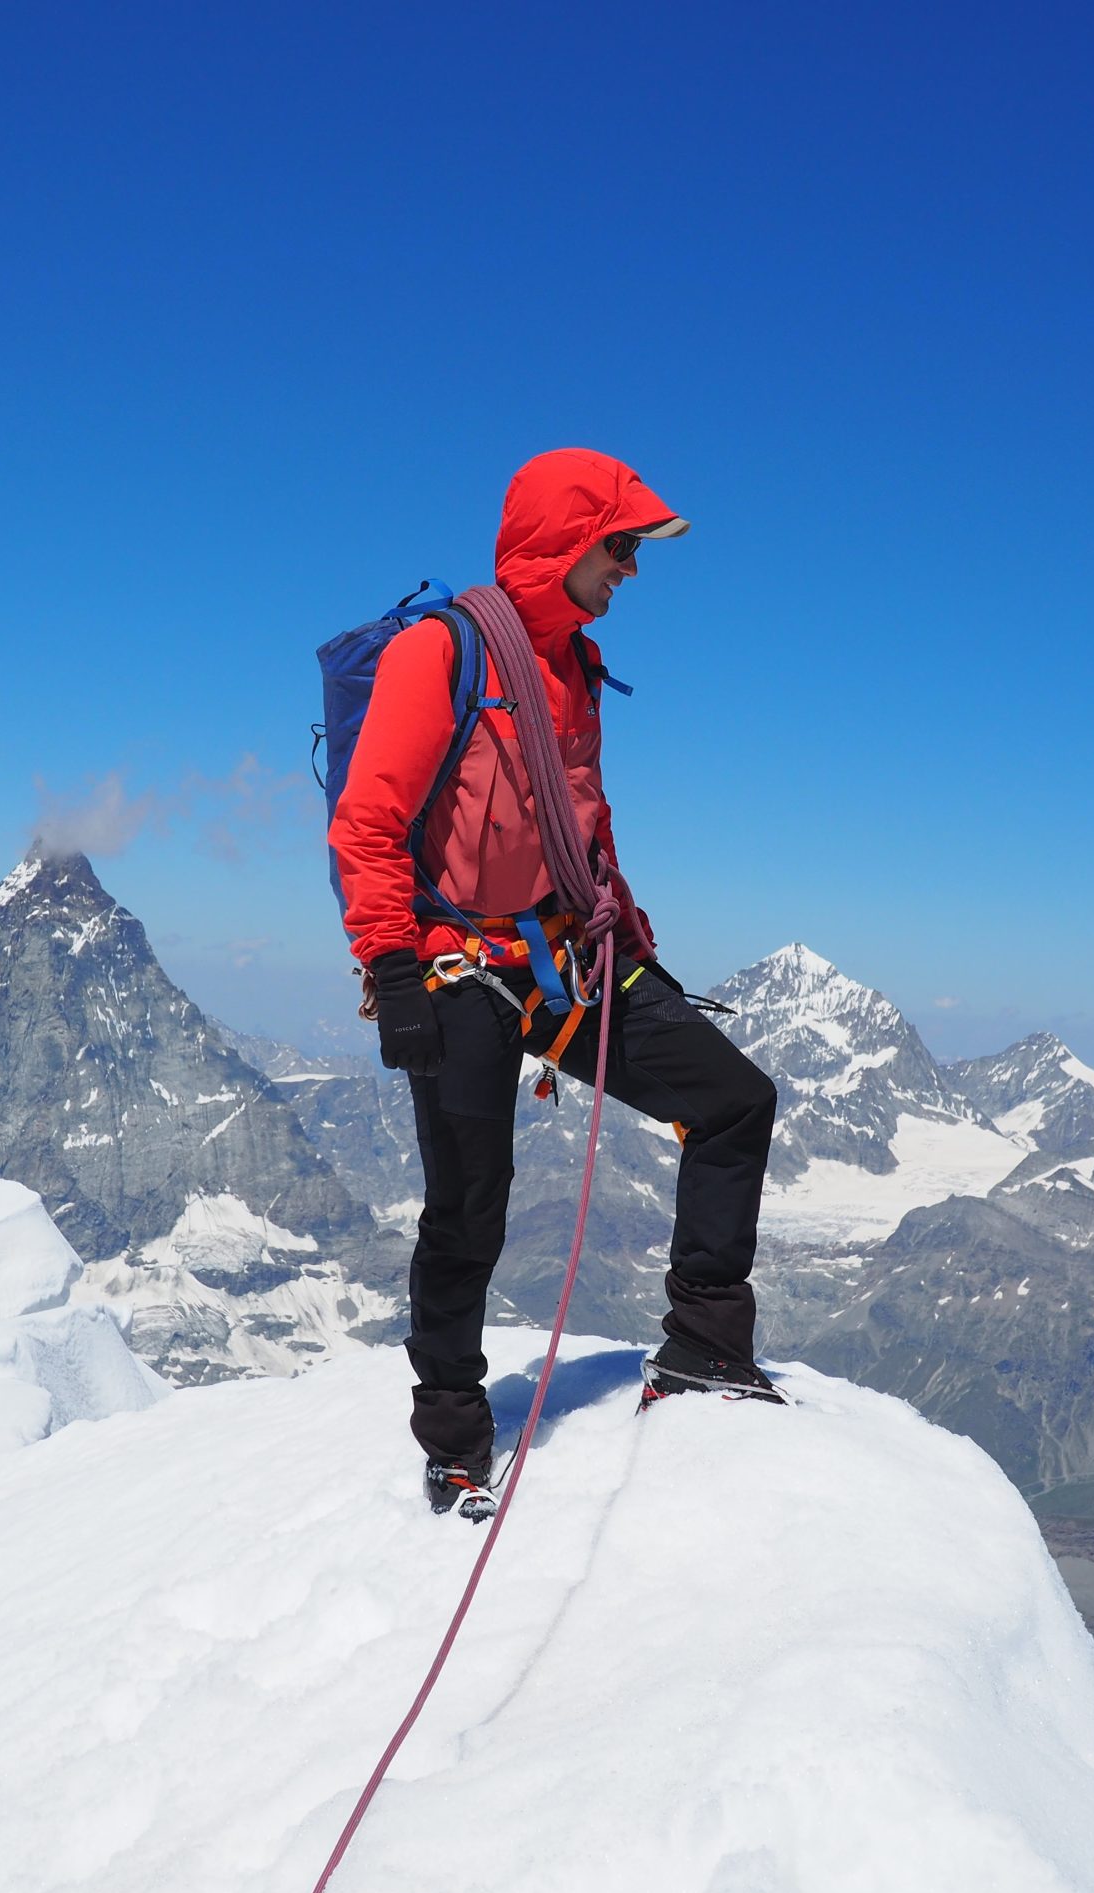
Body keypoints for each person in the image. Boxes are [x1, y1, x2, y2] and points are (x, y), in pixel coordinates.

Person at [329, 448, 780, 1516]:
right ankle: (452, 1438)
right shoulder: (437, 656)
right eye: (618, 547)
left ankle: (703, 1349)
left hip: (568, 951)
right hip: (455, 969)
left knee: (733, 1101)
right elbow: (369, 822)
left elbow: (580, 810)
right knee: (469, 1205)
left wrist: (625, 920)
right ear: (565, 544)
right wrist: (391, 966)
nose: (630, 569)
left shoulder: (571, 666)